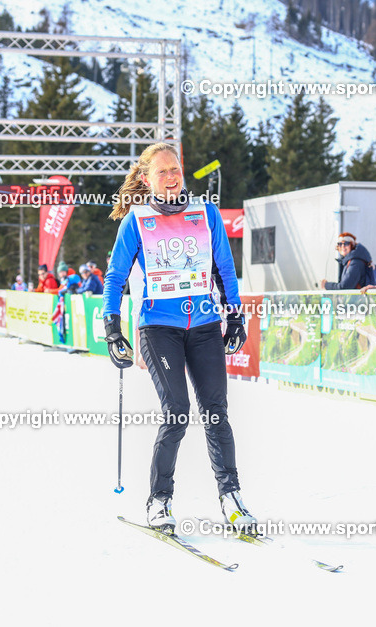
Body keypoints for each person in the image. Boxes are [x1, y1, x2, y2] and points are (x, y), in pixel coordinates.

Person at [102, 142, 254, 534]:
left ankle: (232, 498)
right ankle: (159, 500)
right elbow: (115, 277)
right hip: (159, 328)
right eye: (162, 171)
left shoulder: (206, 213)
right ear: (146, 178)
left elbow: (224, 268)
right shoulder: (136, 221)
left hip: (204, 326)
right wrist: (112, 327)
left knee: (216, 412)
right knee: (177, 412)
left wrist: (235, 317)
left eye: (176, 169)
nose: (171, 177)